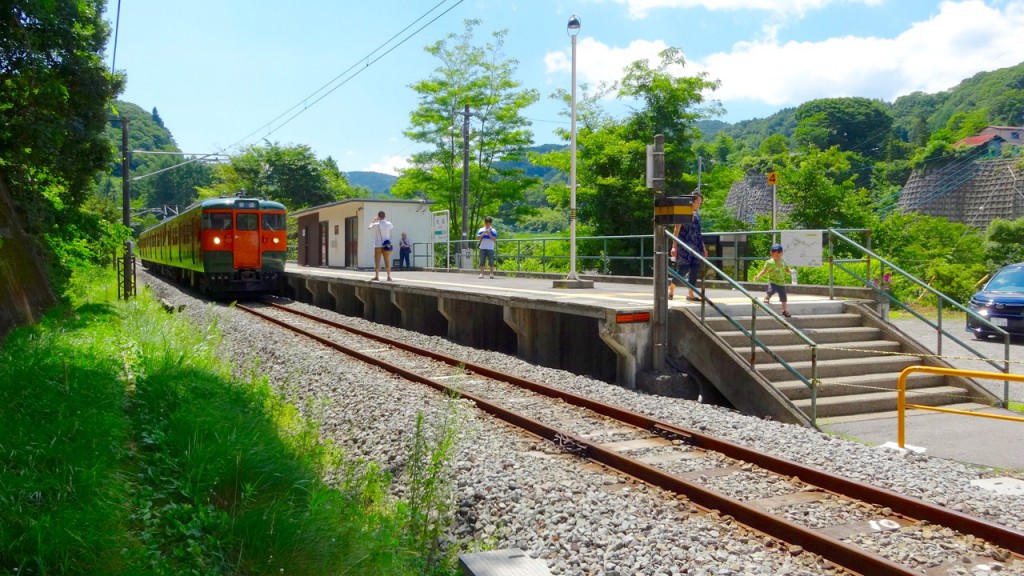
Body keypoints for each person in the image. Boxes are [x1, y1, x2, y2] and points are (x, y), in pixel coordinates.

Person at [669, 192, 707, 301]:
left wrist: (703, 247)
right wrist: (674, 246)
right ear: (692, 201)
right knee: (684, 268)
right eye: (698, 202)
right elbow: (677, 229)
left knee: (695, 269)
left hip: (696, 246)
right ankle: (671, 287)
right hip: (684, 245)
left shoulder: (697, 215)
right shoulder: (682, 213)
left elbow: (698, 232)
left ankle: (691, 293)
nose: (699, 204)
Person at [753, 243, 793, 317]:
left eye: (779, 254)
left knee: (784, 298)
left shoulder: (783, 261)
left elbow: (787, 269)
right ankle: (767, 297)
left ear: (782, 253)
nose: (778, 256)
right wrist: (758, 276)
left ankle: (784, 310)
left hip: (781, 282)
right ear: (771, 254)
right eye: (775, 255)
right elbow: (764, 270)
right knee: (771, 290)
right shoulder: (769, 262)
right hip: (773, 281)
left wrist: (791, 271)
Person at [368, 210, 394, 281]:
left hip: (378, 245)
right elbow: (391, 227)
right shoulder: (389, 223)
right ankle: (389, 276)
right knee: (387, 260)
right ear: (385, 216)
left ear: (378, 216)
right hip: (386, 245)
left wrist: (374, 221)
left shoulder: (376, 224)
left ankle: (377, 276)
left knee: (377, 261)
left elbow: (369, 227)